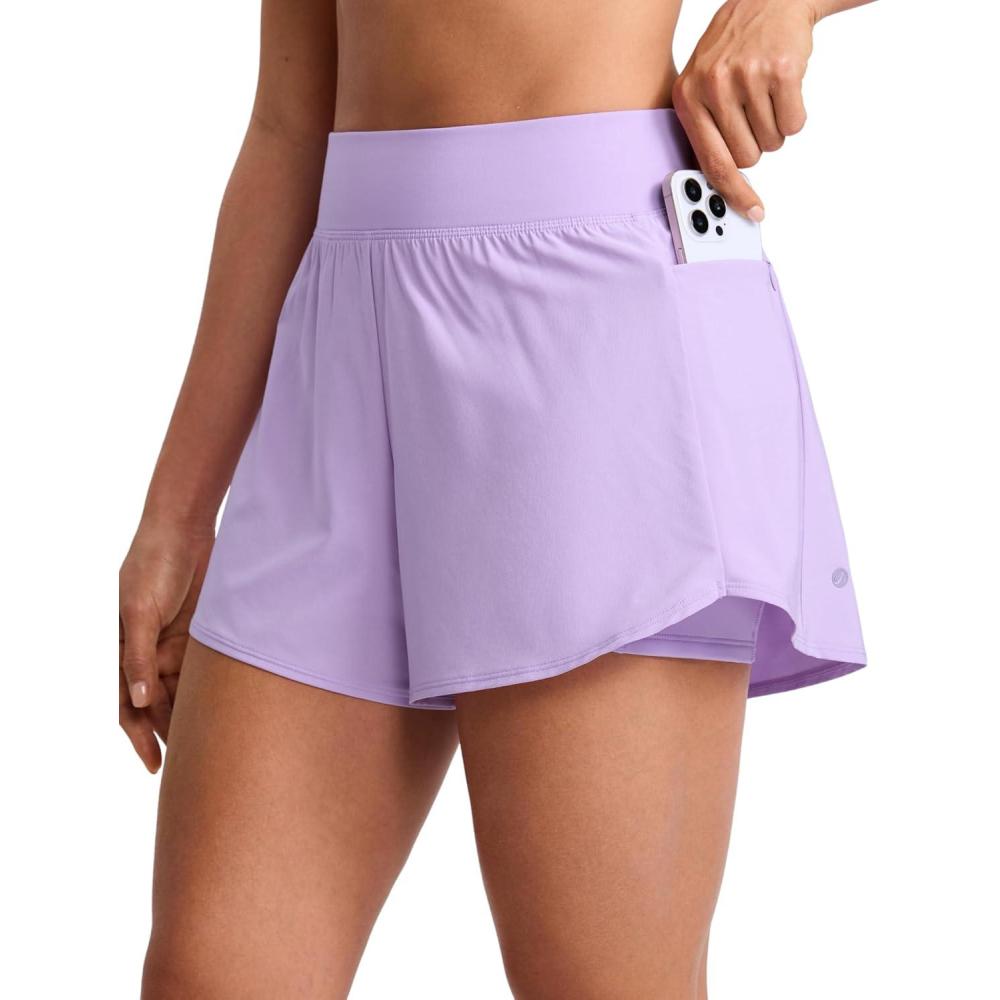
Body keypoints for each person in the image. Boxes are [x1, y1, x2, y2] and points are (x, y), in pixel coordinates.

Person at [119, 0, 872, 996]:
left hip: (591, 327)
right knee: (213, 976)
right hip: (338, 351)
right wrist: (176, 515)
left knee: (600, 980)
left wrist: (784, 5)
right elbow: (289, 126)